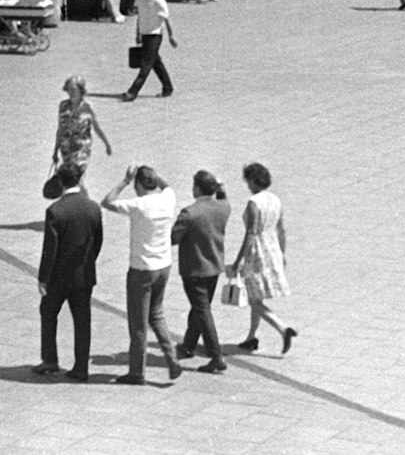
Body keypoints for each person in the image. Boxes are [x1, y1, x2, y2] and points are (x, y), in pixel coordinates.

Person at [100, 164, 182, 384]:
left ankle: (137, 372)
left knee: (138, 323)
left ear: (138, 184)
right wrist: (154, 173)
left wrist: (124, 181)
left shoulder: (138, 205)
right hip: (164, 266)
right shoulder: (168, 198)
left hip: (142, 270)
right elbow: (167, 185)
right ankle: (171, 358)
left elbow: (107, 202)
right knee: (156, 313)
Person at [34, 161, 102, 380]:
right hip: (84, 275)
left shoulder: (55, 211)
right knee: (82, 320)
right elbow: (98, 241)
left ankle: (50, 360)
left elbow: (50, 249)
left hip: (59, 277)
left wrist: (43, 278)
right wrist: (88, 262)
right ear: (79, 180)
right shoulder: (93, 207)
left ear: (61, 182)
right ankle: (81, 367)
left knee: (48, 312)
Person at [232, 162, 297, 354]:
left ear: (253, 180)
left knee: (253, 298)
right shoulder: (275, 199)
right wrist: (282, 253)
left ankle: (282, 328)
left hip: (256, 253)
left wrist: (238, 260)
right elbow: (281, 229)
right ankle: (251, 337)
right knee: (257, 295)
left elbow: (251, 233)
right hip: (272, 249)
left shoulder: (254, 202)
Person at [171, 170, 231, 374]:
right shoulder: (223, 208)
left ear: (197, 188)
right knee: (200, 307)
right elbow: (224, 197)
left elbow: (174, 238)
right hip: (214, 267)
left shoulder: (189, 213)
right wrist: (221, 187)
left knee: (202, 310)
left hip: (194, 269)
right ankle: (189, 344)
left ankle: (216, 356)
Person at [49, 74, 111, 196]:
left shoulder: (87, 107)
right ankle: (80, 201)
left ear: (80, 90)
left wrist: (106, 144)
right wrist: (55, 151)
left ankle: (84, 202)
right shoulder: (63, 106)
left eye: (73, 89)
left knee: (78, 178)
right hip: (66, 149)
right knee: (70, 180)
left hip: (82, 149)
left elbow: (96, 127)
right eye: (68, 89)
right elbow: (60, 129)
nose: (70, 92)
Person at [119, 0, 176, 102]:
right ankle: (168, 87)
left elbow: (167, 18)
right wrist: (137, 33)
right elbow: (140, 16)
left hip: (154, 35)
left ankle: (132, 92)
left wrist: (171, 36)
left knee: (146, 65)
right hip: (145, 34)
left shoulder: (157, 0)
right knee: (156, 63)